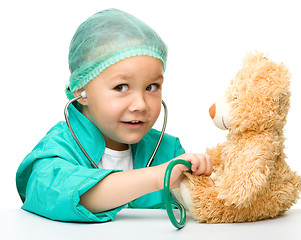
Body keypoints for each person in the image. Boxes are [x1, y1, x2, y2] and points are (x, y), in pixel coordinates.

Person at [16, 8, 212, 222]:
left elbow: (201, 205)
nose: (140, 104)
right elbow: (59, 194)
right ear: (81, 91)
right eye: (121, 87)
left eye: (151, 86)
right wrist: (158, 177)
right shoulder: (56, 149)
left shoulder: (168, 151)